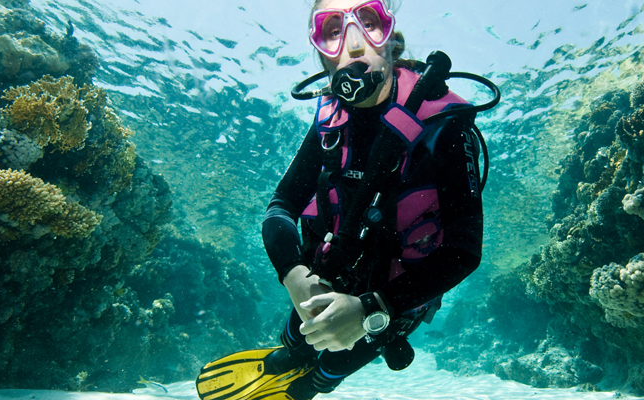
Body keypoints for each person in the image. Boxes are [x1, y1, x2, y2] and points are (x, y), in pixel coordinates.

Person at [196, 1, 486, 399]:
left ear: (391, 40)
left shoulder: (444, 126)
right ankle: (290, 355)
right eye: (332, 30)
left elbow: (464, 251)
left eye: (369, 23)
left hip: (396, 296)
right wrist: (295, 275)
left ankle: (311, 385)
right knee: (296, 337)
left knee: (332, 364)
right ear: (320, 52)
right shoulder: (329, 123)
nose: (353, 45)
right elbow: (281, 206)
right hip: (331, 274)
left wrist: (372, 307)